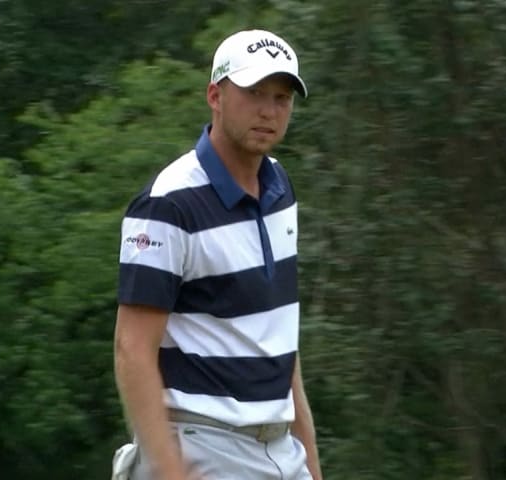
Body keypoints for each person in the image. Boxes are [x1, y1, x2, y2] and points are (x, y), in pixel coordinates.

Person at [111, 29, 322, 480]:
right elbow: (132, 351)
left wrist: (310, 460)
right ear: (216, 95)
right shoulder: (168, 204)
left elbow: (278, 340)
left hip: (281, 451)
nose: (268, 110)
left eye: (282, 98)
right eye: (254, 93)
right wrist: (169, 471)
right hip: (204, 450)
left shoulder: (280, 188)